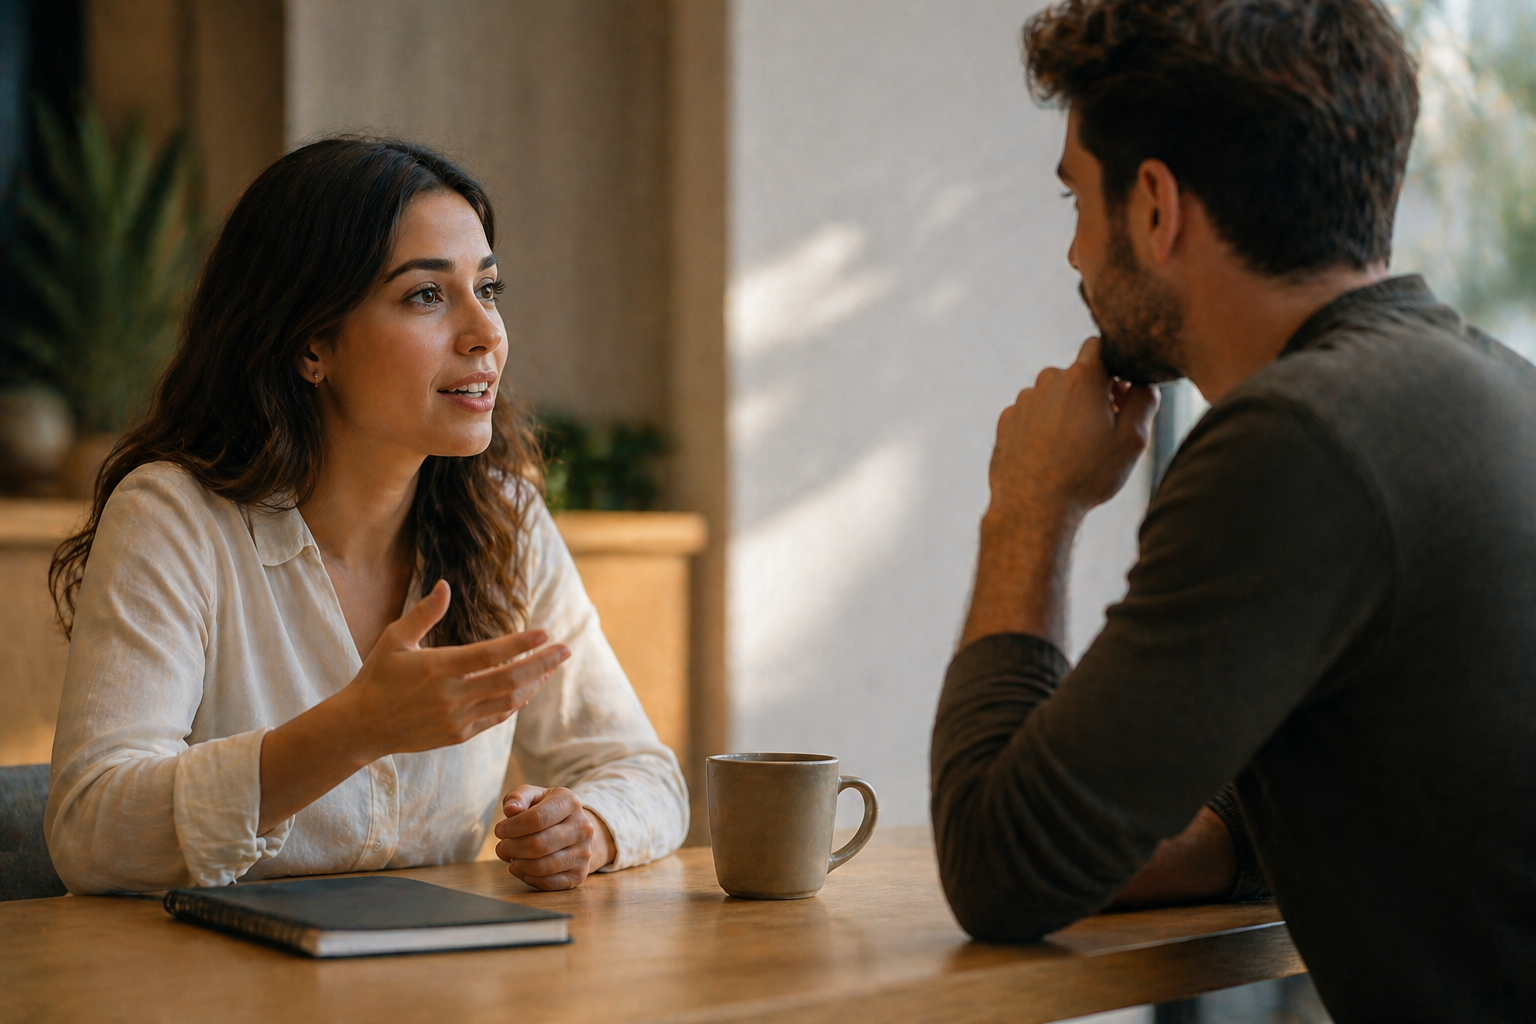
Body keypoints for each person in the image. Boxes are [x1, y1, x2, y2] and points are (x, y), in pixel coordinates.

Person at [929, 0, 1536, 1018]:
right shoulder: (1495, 392)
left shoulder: (1299, 438)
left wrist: (1030, 508)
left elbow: (1000, 866)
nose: (1075, 257)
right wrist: (1184, 837)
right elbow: (1381, 790)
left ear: (1154, 207)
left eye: (1077, 201)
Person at [44, 138, 689, 895]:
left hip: (444, 965)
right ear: (311, 343)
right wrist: (351, 731)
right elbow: (91, 830)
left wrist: (589, 828)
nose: (485, 332)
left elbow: (639, 771)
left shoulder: (504, 521)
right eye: (426, 296)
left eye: (488, 289)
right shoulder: (173, 517)